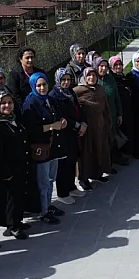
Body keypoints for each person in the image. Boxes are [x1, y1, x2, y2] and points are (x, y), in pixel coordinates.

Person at [21, 73, 65, 224]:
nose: (42, 88)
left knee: (51, 178)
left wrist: (62, 121)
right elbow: (31, 129)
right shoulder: (30, 104)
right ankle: (43, 210)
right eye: (38, 85)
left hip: (52, 146)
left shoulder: (49, 99)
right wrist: (52, 126)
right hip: (40, 148)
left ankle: (48, 204)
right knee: (43, 181)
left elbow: (56, 115)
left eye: (44, 84)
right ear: (33, 86)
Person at [0, 91, 30, 240]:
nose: (7, 106)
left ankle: (17, 220)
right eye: (3, 103)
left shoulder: (12, 120)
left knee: (18, 196)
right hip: (7, 170)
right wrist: (6, 172)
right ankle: (12, 226)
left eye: (10, 103)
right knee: (10, 197)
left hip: (19, 166)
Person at [49, 68, 87, 205]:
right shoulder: (54, 96)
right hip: (63, 133)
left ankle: (71, 187)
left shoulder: (70, 92)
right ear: (58, 80)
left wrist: (83, 123)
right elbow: (60, 115)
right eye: (63, 80)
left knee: (72, 159)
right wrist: (77, 125)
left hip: (74, 132)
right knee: (63, 163)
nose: (66, 82)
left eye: (68, 79)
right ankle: (63, 192)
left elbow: (78, 110)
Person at [73, 67, 112, 189]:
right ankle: (83, 178)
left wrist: (108, 122)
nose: (91, 78)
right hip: (87, 127)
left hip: (100, 125)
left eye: (94, 75)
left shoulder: (100, 89)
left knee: (99, 149)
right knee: (86, 152)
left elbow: (105, 106)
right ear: (85, 77)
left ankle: (97, 174)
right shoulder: (78, 90)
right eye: (89, 75)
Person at [93, 55, 126, 168]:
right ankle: (106, 163)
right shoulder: (94, 79)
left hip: (112, 112)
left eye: (105, 66)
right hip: (100, 116)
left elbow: (116, 97)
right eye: (101, 66)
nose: (103, 68)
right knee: (104, 139)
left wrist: (120, 114)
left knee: (113, 136)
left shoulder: (110, 79)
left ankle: (115, 158)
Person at [110, 56, 135, 158]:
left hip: (127, 110)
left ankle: (127, 152)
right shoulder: (112, 79)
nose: (118, 67)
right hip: (118, 111)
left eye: (120, 64)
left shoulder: (123, 77)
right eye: (115, 65)